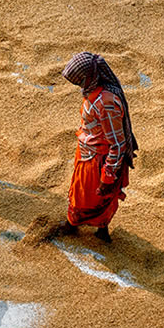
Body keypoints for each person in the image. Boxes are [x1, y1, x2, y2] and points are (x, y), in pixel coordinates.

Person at [60, 52, 138, 243]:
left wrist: (107, 176)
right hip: (88, 153)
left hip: (97, 161)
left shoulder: (106, 103)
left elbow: (118, 144)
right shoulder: (97, 93)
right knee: (92, 196)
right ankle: (101, 231)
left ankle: (73, 226)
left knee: (86, 197)